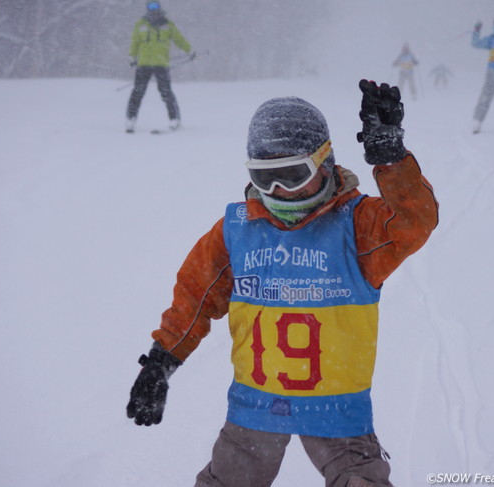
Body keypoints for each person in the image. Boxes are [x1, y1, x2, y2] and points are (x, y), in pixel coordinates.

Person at [126, 80, 439, 487]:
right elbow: (194, 296)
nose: (278, 191)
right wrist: (160, 362)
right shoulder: (238, 229)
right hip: (255, 409)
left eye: (292, 175)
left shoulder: (358, 227)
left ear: (325, 162)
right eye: (264, 177)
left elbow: (415, 221)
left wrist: (392, 162)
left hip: (337, 411)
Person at [125, 1, 195, 133]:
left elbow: (179, 39)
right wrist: (132, 57)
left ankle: (175, 120)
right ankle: (130, 120)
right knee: (137, 93)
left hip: (161, 64)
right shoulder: (141, 24)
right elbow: (135, 42)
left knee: (166, 92)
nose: (153, 10)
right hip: (144, 64)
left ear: (160, 8)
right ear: (147, 9)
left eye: (155, 6)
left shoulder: (167, 25)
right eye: (150, 7)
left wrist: (189, 50)